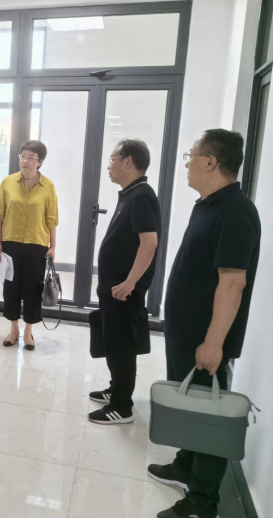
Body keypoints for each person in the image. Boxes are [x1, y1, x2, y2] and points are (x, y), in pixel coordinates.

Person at [148, 129, 261, 519]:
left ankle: (202, 502)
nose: (187, 164)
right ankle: (186, 465)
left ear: (210, 162)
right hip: (185, 333)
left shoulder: (236, 213)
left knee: (208, 417)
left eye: (191, 156)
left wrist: (214, 343)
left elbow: (232, 284)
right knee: (189, 409)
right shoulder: (208, 205)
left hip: (203, 340)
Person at [88, 139, 160, 425]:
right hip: (115, 287)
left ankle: (122, 406)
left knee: (121, 346)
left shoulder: (140, 196)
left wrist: (130, 282)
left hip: (123, 290)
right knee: (113, 342)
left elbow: (149, 243)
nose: (109, 165)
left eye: (112, 159)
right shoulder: (131, 194)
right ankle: (115, 388)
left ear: (128, 162)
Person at [0, 140, 58, 351]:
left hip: (37, 245)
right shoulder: (7, 183)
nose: (25, 161)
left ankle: (28, 331)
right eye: (23, 156)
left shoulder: (48, 186)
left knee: (32, 289)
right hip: (10, 244)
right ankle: (13, 329)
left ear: (40, 162)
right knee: (11, 289)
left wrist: (53, 246)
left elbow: (51, 218)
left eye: (31, 157)